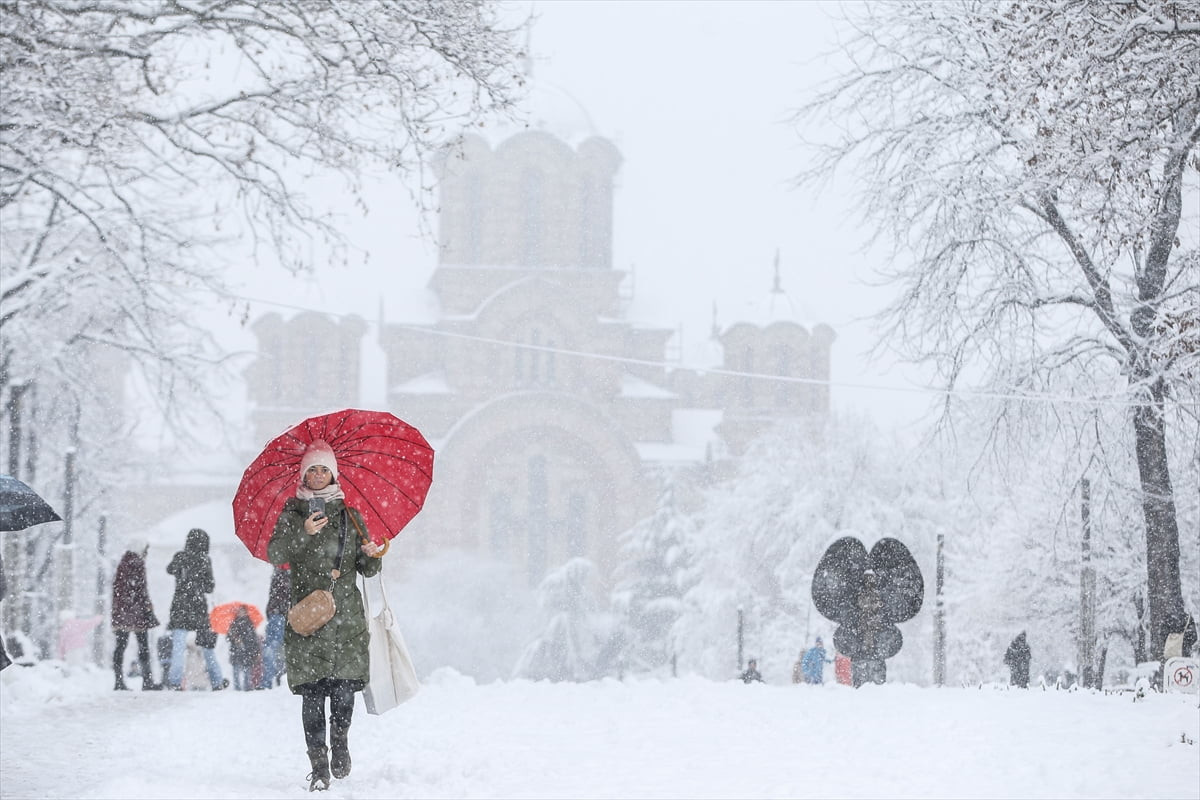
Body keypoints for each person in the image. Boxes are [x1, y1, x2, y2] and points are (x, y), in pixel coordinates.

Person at [268, 442, 384, 791]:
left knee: (345, 691)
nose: (318, 476)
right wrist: (304, 533)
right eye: (311, 470)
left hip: (345, 618)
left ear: (333, 474)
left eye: (324, 469)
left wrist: (372, 554)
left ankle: (341, 743)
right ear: (303, 476)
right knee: (313, 695)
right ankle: (318, 766)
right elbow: (276, 554)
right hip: (308, 618)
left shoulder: (351, 516)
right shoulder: (292, 515)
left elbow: (366, 569)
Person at [165, 528, 228, 691]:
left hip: (180, 607)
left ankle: (175, 681)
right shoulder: (205, 559)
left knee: (178, 647)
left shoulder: (180, 557)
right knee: (207, 646)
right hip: (198, 607)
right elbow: (209, 587)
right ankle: (217, 681)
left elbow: (169, 569)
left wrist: (183, 569)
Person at [110, 539, 161, 691]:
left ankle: (118, 681)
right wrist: (147, 606)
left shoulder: (123, 563)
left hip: (121, 612)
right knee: (143, 647)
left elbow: (118, 589)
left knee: (120, 646)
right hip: (137, 612)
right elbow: (141, 589)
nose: (146, 553)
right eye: (145, 550)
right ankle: (147, 681)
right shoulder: (138, 563)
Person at [260, 565, 291, 689]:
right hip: (282, 615)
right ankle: (280, 679)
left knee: (272, 649)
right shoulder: (287, 574)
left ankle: (269, 681)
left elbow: (274, 596)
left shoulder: (279, 574)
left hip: (277, 614)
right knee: (279, 650)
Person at [227, 604, 262, 691]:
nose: (241, 613)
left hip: (247, 651)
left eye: (243, 611)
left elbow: (253, 638)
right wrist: (234, 638)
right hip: (236, 650)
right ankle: (237, 688)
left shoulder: (249, 623)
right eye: (240, 611)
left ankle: (247, 687)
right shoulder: (234, 623)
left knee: (247, 670)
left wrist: (256, 650)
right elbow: (228, 637)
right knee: (236, 670)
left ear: (246, 612)